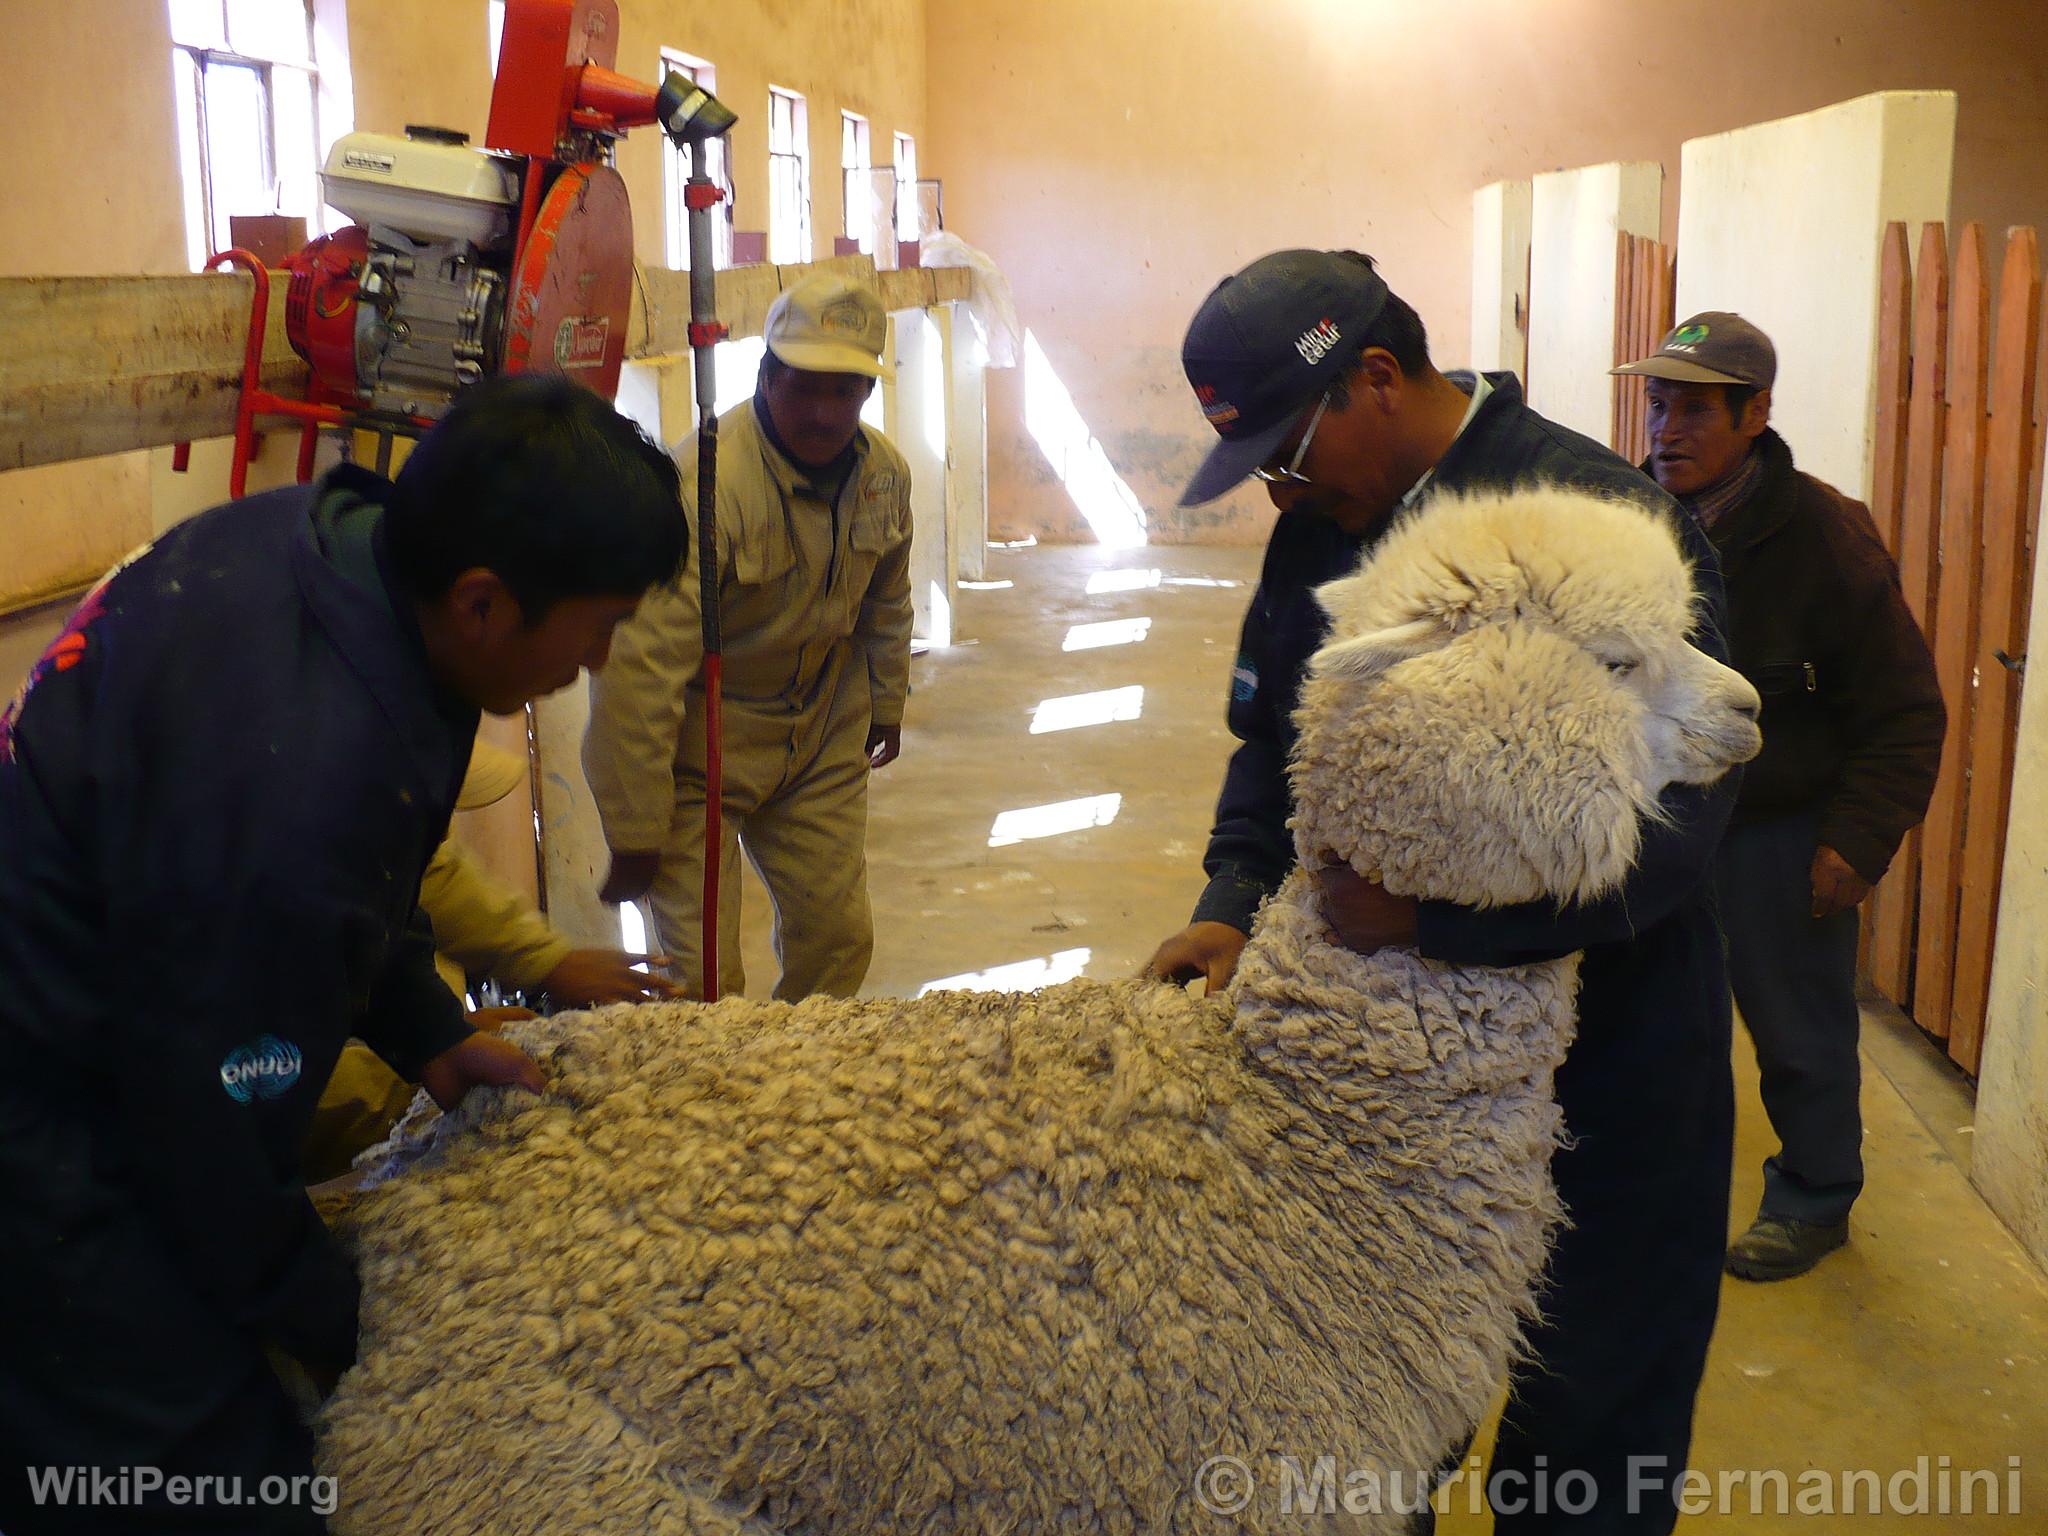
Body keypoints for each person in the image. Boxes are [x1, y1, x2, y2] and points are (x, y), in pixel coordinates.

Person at [0, 373, 685, 1535]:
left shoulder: (341, 549)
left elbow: (362, 874)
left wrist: (429, 1032)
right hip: (52, 1117)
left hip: (129, 981)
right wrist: (367, 1331)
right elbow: (211, 1141)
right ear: (483, 603)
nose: (598, 661)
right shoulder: (291, 792)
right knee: (215, 1479)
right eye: (601, 628)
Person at [1142, 249, 1741, 1533]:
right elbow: (1275, 738)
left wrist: (1443, 928)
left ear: (1372, 378)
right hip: (1397, 1069)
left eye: (1285, 454)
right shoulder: (1323, 526)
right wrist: (1230, 897)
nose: (1280, 490)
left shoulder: (1600, 530)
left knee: (1587, 1421)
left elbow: (1682, 829)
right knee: (1371, 1399)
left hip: (1611, 1041)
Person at [1615, 313, 1945, 1281]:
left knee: (1799, 1031)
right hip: (1651, 824)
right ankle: (1640, 1193)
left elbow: (1904, 709)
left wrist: (1855, 842)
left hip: (1774, 833)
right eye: (1657, 404)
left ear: (1754, 414)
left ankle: (1812, 1196)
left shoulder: (1825, 535)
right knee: (1641, 1026)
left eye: (1693, 410)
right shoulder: (1624, 521)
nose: (1665, 429)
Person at [584, 271, 914, 1001]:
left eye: (845, 391)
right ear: (766, 374)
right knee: (704, 980)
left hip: (822, 734)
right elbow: (637, 669)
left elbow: (887, 600)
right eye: (805, 387)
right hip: (702, 752)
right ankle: (715, 1077)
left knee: (838, 940)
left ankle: (799, 1068)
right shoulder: (701, 487)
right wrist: (635, 829)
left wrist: (887, 701)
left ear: (868, 392)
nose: (824, 414)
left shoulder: (884, 475)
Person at [302, 741, 680, 1184]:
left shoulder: (353, 819)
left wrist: (544, 963)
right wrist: (420, 1066)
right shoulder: (269, 857)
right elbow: (267, 1086)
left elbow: (430, 874)